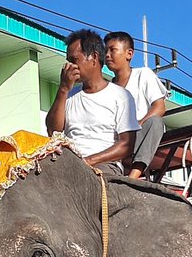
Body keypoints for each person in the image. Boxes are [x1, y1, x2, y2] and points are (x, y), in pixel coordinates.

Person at [46, 29, 138, 173]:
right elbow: (53, 131)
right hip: (68, 163)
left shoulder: (121, 96)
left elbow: (126, 144)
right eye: (68, 62)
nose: (70, 67)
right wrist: (63, 89)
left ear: (94, 57)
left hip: (105, 166)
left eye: (74, 60)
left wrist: (88, 161)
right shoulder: (68, 94)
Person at [104, 31, 167, 179]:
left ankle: (134, 176)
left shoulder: (143, 74)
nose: (107, 55)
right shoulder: (107, 88)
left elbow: (160, 107)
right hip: (115, 139)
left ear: (129, 54)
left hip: (138, 132)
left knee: (155, 122)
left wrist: (137, 124)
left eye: (112, 50)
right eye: (105, 51)